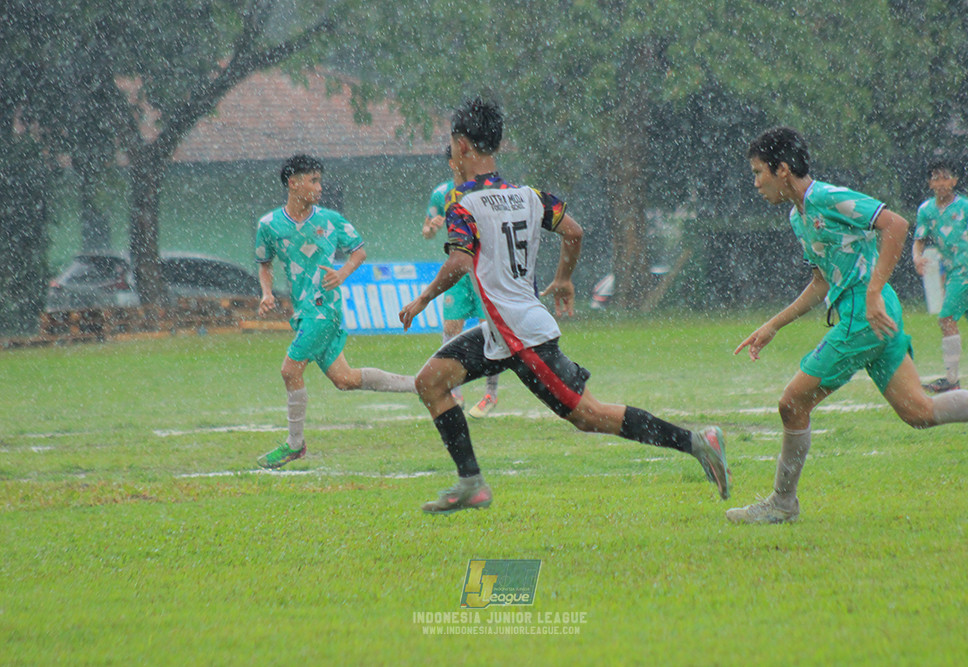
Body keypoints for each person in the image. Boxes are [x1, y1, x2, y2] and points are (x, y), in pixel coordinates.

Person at [399, 96, 730, 514]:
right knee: (430, 381)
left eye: (450, 143)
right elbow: (574, 232)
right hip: (505, 331)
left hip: (522, 338)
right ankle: (472, 484)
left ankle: (697, 442)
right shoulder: (528, 195)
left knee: (589, 416)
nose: (449, 152)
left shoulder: (461, 203)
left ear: (462, 145)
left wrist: (422, 297)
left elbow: (461, 260)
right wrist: (565, 278)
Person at [731, 127, 968, 524]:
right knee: (919, 411)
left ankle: (783, 504)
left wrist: (872, 292)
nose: (755, 183)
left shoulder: (825, 197)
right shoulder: (798, 215)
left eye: (758, 172)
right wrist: (774, 325)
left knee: (791, 402)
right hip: (872, 311)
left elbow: (895, 224)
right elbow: (821, 281)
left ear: (783, 169)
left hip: (866, 313)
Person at [255, 154, 416, 469]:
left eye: (319, 180)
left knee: (290, 370)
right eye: (312, 180)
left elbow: (359, 251)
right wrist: (266, 293)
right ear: (293, 183)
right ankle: (419, 383)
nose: (318, 186)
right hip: (303, 311)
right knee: (345, 379)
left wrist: (341, 275)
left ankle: (295, 444)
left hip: (324, 309)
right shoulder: (269, 225)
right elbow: (264, 263)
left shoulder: (331, 220)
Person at [422, 146, 500, 418]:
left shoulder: (482, 190)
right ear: (451, 162)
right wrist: (431, 228)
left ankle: (491, 392)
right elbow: (427, 230)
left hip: (482, 268)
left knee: (487, 328)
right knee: (451, 327)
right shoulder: (441, 193)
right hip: (456, 266)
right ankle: (453, 388)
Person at [912, 159, 968, 393]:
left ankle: (952, 381)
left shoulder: (967, 208)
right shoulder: (926, 210)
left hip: (966, 272)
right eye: (936, 178)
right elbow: (918, 241)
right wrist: (916, 257)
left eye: (945, 178)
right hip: (952, 273)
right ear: (930, 183)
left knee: (946, 319)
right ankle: (952, 381)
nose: (941, 183)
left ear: (954, 181)